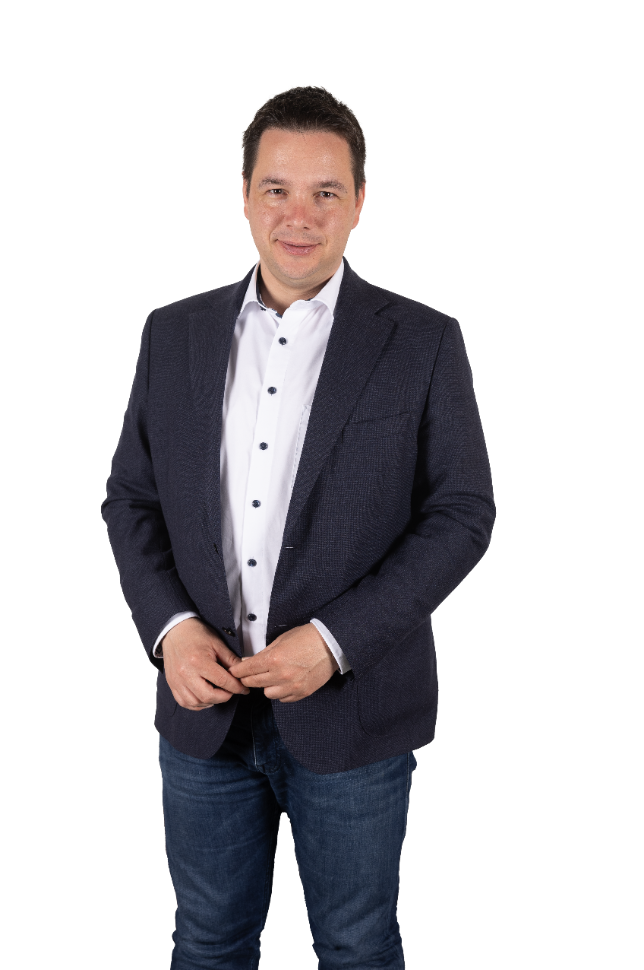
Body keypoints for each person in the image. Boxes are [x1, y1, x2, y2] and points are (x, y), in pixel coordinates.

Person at [101, 83, 496, 969]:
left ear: (359, 202)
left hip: (356, 714)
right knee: (207, 944)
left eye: (326, 192)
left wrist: (333, 640)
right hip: (202, 716)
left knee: (356, 948)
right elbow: (131, 497)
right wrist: (170, 630)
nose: (299, 216)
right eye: (277, 189)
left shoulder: (424, 340)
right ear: (245, 195)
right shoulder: (173, 333)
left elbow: (463, 512)